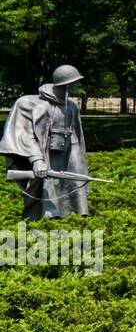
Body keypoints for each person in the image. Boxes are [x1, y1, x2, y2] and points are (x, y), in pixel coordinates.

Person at [0, 65, 92, 220]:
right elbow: (24, 134)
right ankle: (42, 223)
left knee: (70, 190)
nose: (79, 85)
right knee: (44, 193)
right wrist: (37, 160)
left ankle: (70, 219)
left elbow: (77, 139)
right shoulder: (29, 103)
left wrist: (79, 168)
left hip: (67, 156)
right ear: (66, 83)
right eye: (76, 81)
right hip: (42, 155)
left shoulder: (71, 107)